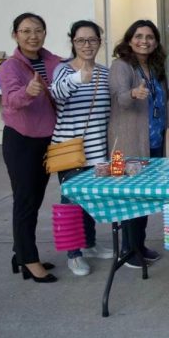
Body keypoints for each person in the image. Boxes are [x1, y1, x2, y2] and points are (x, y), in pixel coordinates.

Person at [0, 13, 63, 283]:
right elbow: (11, 100)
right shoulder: (9, 67)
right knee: (25, 200)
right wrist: (29, 91)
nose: (32, 36)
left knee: (35, 199)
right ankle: (29, 259)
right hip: (21, 140)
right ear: (15, 34)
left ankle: (21, 252)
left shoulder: (55, 61)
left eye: (38, 30)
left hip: (48, 140)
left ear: (45, 33)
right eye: (25, 31)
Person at [50, 20, 113, 277]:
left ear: (100, 42)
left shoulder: (104, 72)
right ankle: (73, 254)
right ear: (73, 42)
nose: (87, 45)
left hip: (97, 148)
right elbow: (56, 94)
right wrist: (78, 78)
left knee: (90, 200)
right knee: (70, 202)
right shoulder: (63, 70)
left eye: (92, 40)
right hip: (69, 148)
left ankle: (89, 244)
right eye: (81, 40)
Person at [109, 20, 168, 268]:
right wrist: (133, 93)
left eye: (150, 37)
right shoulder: (121, 65)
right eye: (139, 36)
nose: (145, 41)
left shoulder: (154, 66)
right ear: (129, 39)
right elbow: (120, 98)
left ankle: (139, 245)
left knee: (144, 196)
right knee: (131, 197)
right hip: (129, 141)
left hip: (153, 141)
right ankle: (129, 250)